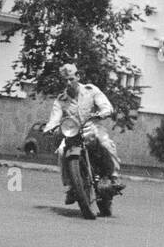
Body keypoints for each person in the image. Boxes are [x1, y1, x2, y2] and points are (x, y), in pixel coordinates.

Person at [43, 63, 122, 203]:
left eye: (71, 78)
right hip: (72, 132)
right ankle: (70, 187)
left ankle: (113, 177)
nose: (68, 82)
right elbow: (54, 119)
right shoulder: (61, 100)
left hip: (92, 126)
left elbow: (106, 105)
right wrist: (50, 128)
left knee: (105, 143)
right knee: (61, 151)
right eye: (65, 80)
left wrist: (103, 112)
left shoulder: (91, 90)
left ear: (78, 77)